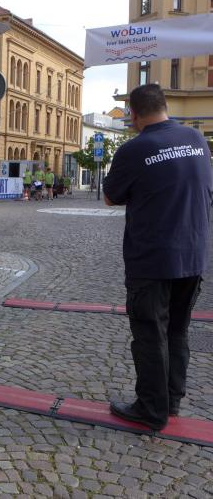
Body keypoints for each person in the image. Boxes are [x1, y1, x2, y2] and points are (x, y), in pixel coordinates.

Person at [103, 83, 212, 430]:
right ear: (165, 106)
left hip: (152, 259)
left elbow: (111, 196)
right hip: (193, 255)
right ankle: (172, 400)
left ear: (133, 114)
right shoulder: (196, 140)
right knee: (177, 331)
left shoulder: (135, 149)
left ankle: (151, 409)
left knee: (150, 334)